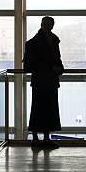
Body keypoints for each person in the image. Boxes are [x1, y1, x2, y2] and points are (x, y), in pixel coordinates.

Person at [23, 16, 64, 149]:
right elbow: (32, 65)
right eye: (47, 24)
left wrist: (58, 68)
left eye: (50, 24)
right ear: (42, 25)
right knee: (43, 109)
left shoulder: (35, 43)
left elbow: (57, 60)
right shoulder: (51, 40)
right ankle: (41, 138)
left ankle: (39, 138)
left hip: (43, 80)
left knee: (42, 109)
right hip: (46, 80)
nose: (48, 26)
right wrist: (55, 68)